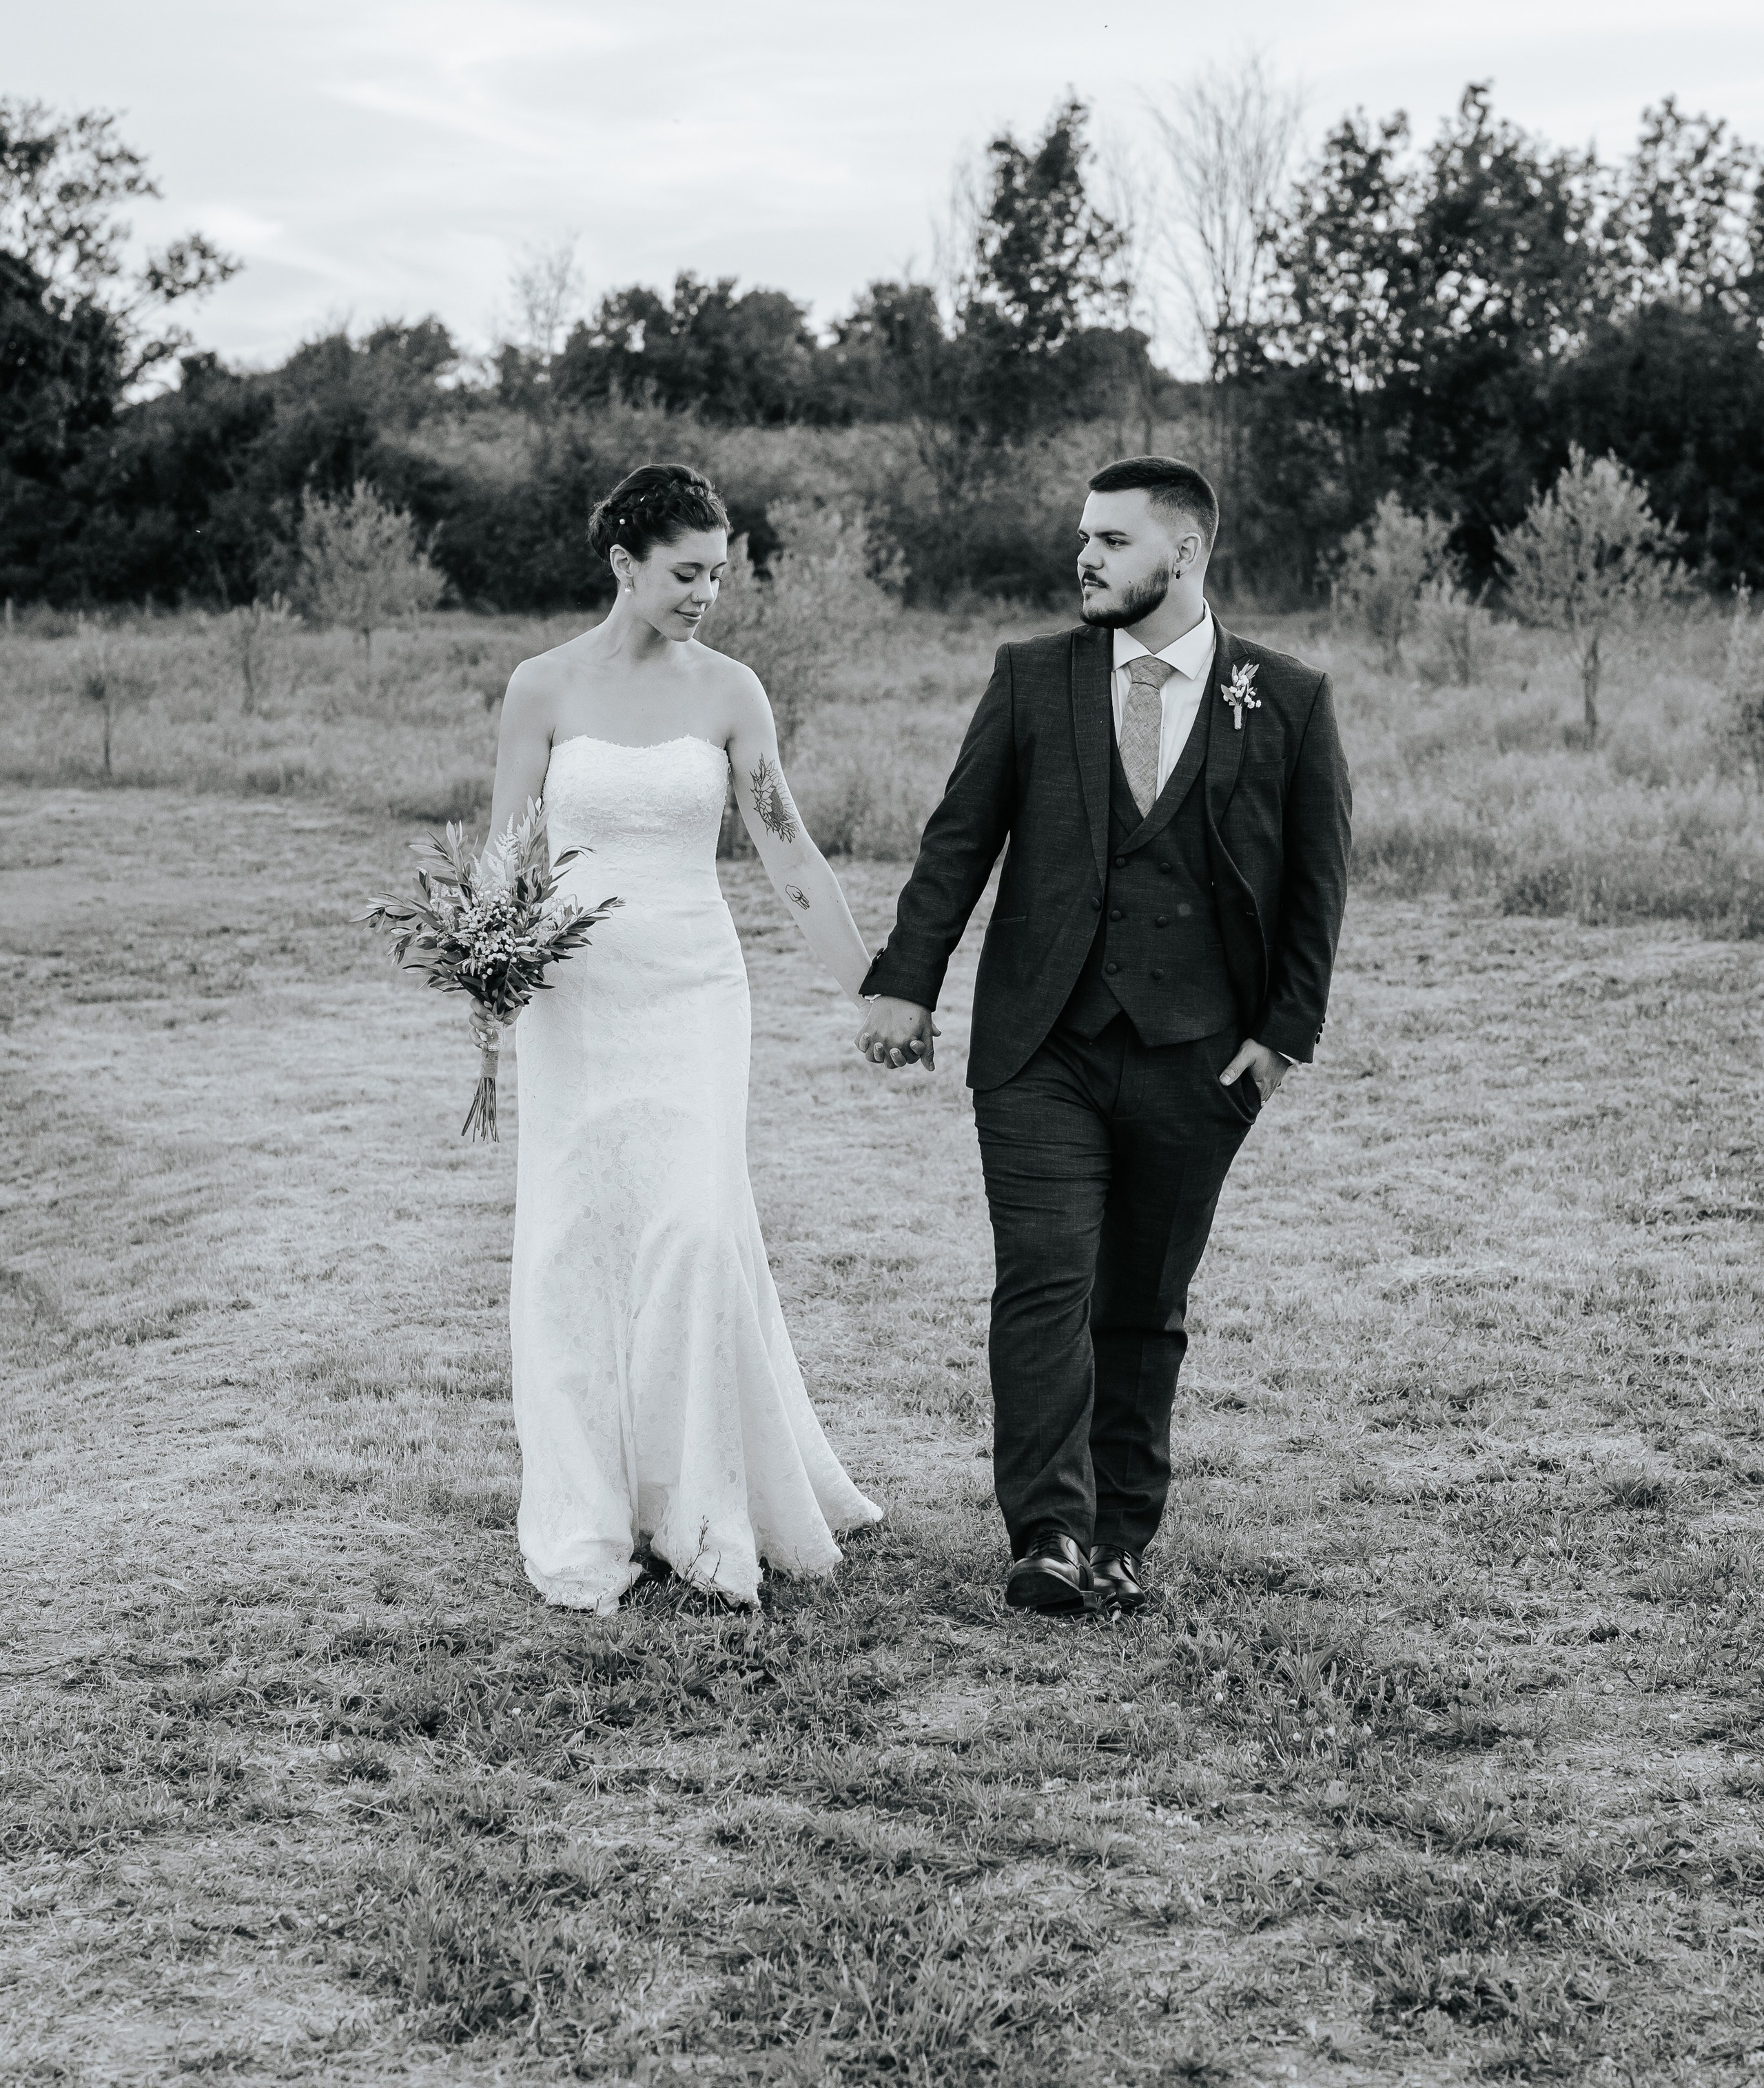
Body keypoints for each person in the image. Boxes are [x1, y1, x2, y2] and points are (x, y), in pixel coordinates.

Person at [857, 458, 1351, 1617]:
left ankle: (1122, 1536)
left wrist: (1282, 1039)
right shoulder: (1033, 680)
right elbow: (958, 839)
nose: (1085, 558)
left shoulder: (1284, 696)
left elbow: (1318, 883)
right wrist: (904, 983)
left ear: (1183, 555)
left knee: (1142, 1301)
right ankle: (1051, 1536)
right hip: (1042, 1046)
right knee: (1044, 1284)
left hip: (1200, 1054)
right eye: (1084, 538)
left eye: (1113, 542)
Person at [487, 460, 881, 1613]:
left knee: (697, 1228)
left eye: (720, 573)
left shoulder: (733, 694)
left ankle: (701, 1509)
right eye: (685, 572)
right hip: (574, 1000)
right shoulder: (542, 688)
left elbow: (788, 851)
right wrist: (487, 964)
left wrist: (875, 984)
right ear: (623, 564)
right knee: (576, 1240)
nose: (708, 593)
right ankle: (595, 1504)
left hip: (695, 989)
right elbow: (508, 849)